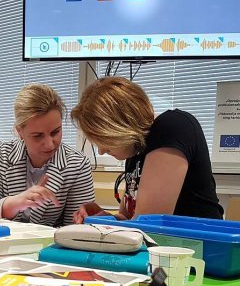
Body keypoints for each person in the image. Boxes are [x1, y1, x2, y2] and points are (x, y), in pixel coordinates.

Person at [71, 76, 224, 223]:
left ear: (120, 127)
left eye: (104, 140)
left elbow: (149, 225)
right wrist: (103, 217)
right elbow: (129, 218)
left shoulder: (172, 127)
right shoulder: (135, 153)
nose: (101, 151)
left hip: (199, 239)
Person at [0, 83, 95, 227]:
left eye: (55, 132)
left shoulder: (78, 164)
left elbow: (77, 229)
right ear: (20, 131)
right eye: (38, 136)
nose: (50, 144)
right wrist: (14, 203)